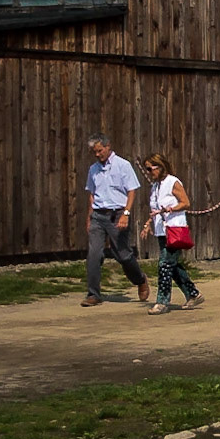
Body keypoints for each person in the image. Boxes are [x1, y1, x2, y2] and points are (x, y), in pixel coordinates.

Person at [82, 134, 150, 307]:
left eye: (99, 150)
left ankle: (140, 279)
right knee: (94, 254)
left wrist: (126, 214)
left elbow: (132, 191)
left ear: (108, 147)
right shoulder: (93, 169)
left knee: (123, 255)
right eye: (94, 152)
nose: (97, 154)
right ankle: (93, 294)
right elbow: (92, 194)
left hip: (117, 215)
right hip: (98, 215)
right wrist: (89, 217)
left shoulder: (123, 165)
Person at [138, 153, 204, 315]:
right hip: (162, 231)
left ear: (159, 167)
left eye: (149, 169)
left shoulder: (172, 182)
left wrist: (172, 209)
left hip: (174, 229)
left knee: (165, 265)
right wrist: (148, 224)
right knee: (173, 267)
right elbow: (155, 209)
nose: (148, 173)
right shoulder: (155, 187)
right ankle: (193, 294)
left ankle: (162, 301)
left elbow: (185, 202)